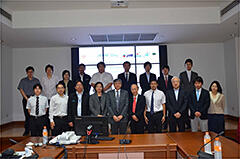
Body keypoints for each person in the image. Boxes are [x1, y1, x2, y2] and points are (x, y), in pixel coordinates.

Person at [17, 66, 40, 136]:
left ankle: (35, 130)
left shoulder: (36, 80)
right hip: (26, 98)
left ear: (33, 72)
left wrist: (33, 98)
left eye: (31, 72)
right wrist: (27, 98)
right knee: (27, 115)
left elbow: (39, 90)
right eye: (29, 72)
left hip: (34, 99)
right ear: (26, 73)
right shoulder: (23, 80)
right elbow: (21, 89)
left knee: (34, 115)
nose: (30, 73)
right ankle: (27, 130)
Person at [179, 58, 198, 129]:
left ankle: (193, 123)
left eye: (189, 64)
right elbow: (181, 85)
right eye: (186, 64)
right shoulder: (182, 74)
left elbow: (196, 84)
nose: (188, 66)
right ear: (185, 65)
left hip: (193, 95)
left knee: (193, 108)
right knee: (185, 110)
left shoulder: (195, 74)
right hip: (185, 95)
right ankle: (187, 123)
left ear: (192, 65)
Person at [157, 65, 173, 130]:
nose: (165, 70)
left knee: (170, 111)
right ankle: (164, 125)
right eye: (164, 69)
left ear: (168, 70)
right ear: (162, 71)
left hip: (170, 97)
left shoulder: (172, 78)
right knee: (164, 111)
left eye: (166, 69)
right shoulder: (159, 78)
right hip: (162, 97)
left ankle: (170, 124)